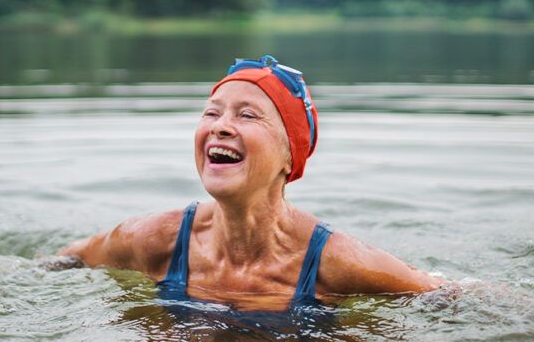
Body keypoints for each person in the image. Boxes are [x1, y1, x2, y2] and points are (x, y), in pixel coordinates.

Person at [57, 55, 450, 312]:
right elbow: (67, 260)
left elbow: (448, 295)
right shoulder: (155, 239)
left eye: (247, 116)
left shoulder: (335, 262)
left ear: (289, 157)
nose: (221, 126)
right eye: (212, 112)